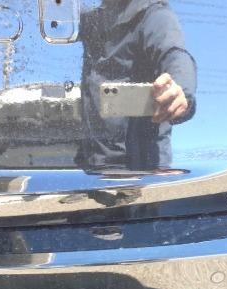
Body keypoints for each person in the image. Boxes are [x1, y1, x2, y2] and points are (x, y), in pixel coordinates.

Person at [76, 0, 197, 172]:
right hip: (93, 164)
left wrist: (180, 89)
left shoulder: (154, 15)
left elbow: (174, 54)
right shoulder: (93, 21)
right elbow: (60, 15)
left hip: (139, 169)